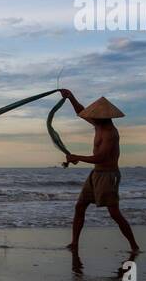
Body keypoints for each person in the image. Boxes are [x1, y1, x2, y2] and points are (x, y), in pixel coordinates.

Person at [59, 90, 139, 253]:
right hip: (95, 174)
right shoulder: (99, 124)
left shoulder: (110, 134)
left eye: (94, 116)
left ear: (103, 117)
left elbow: (101, 157)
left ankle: (134, 246)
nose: (91, 118)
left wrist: (77, 157)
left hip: (108, 175)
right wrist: (71, 97)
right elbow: (81, 112)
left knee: (115, 213)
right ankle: (75, 243)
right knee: (80, 206)